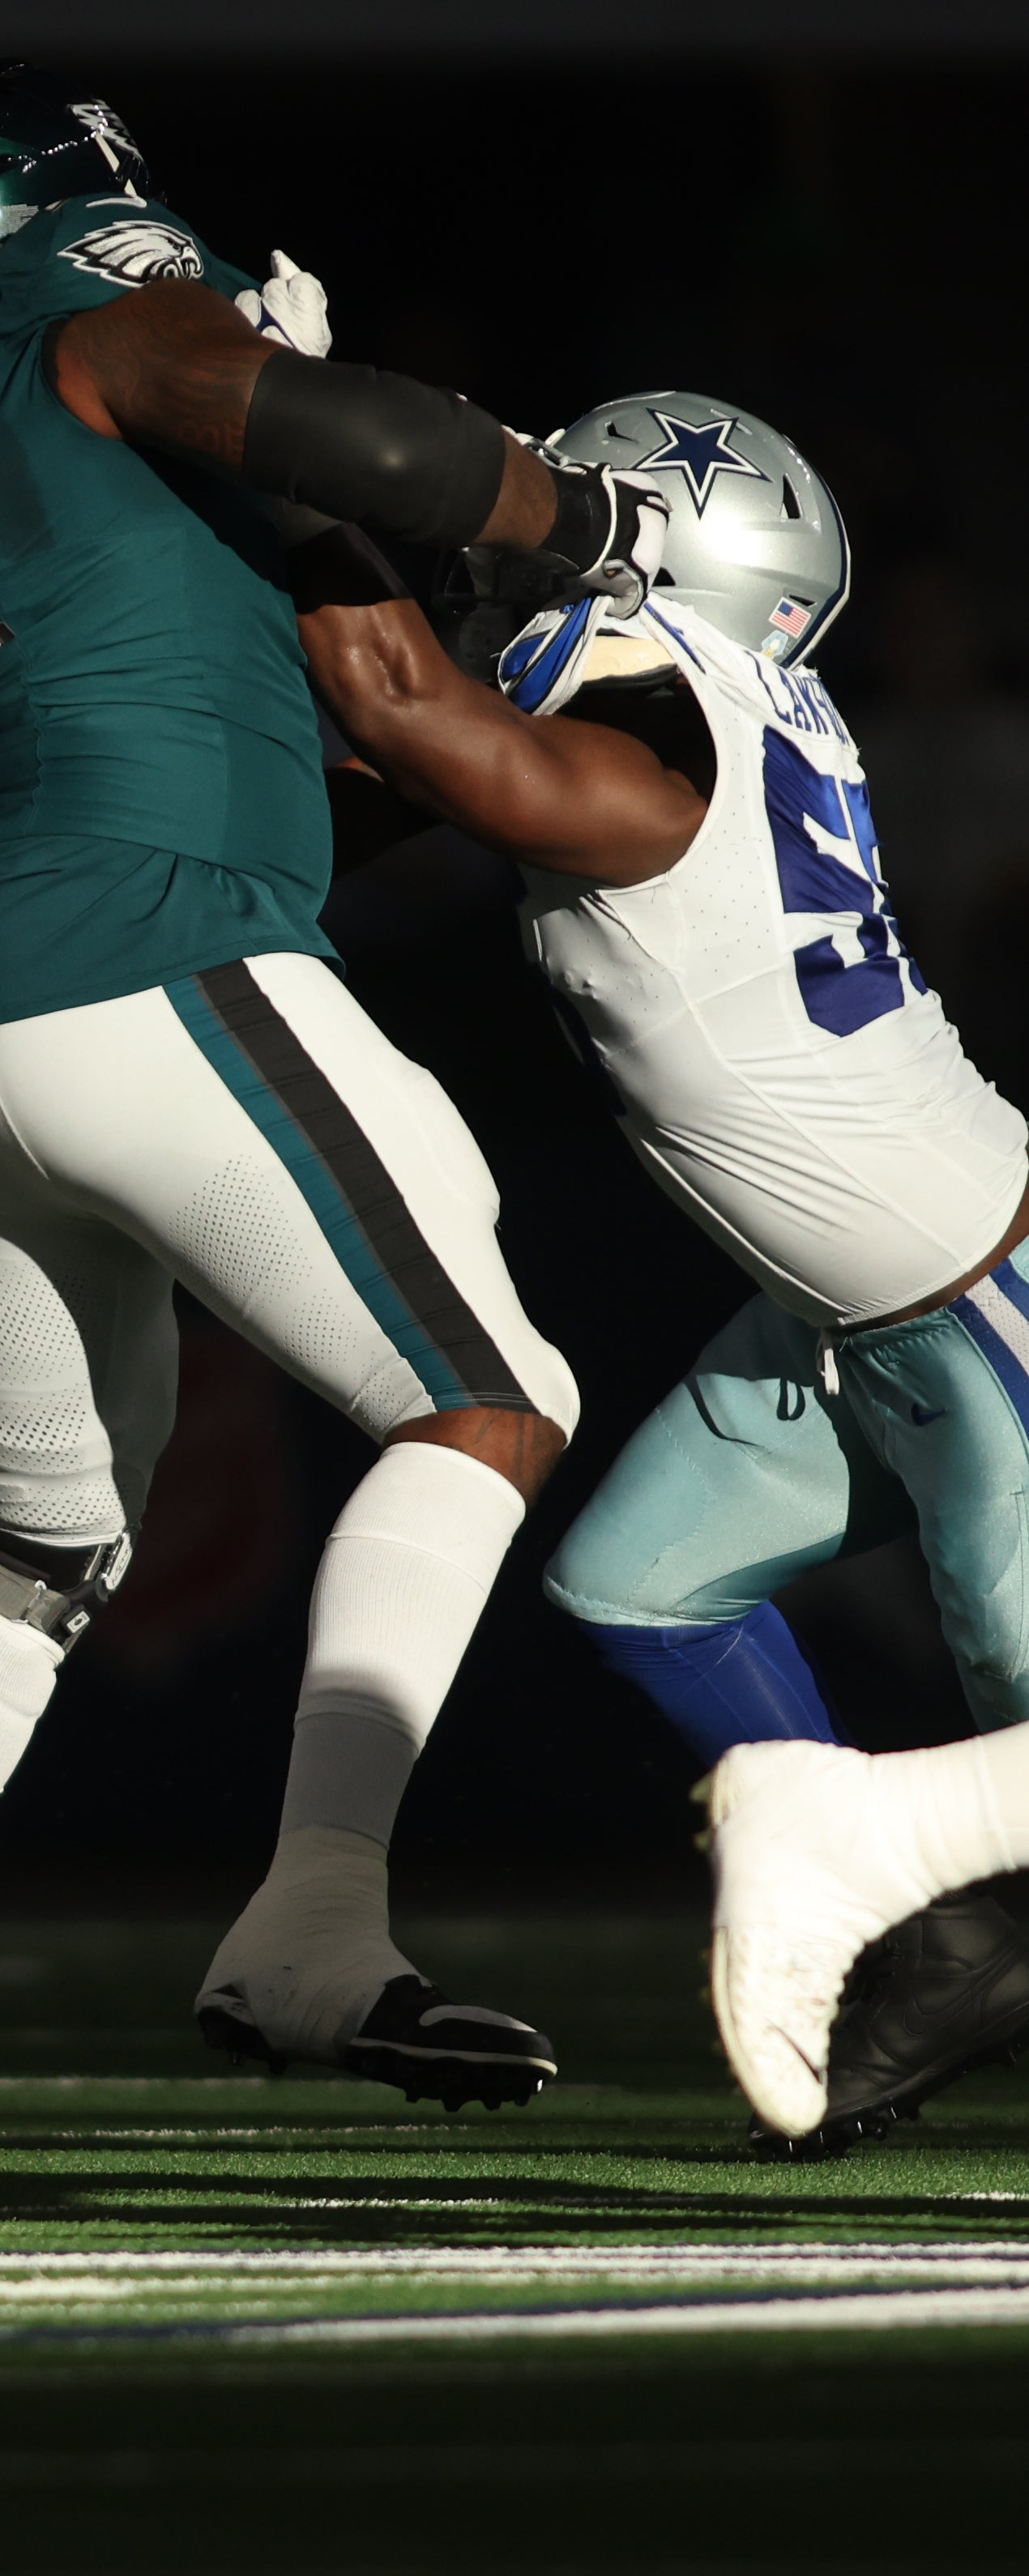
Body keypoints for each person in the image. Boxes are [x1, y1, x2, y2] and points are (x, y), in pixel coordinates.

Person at [0, 60, 672, 2174]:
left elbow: (282, 738)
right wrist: (578, 519)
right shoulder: (82, 293)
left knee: (22, 1547)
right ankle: (313, 1918)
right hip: (135, 944)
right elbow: (321, 431)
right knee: (482, 1393)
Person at [291, 392, 1029, 2156]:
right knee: (638, 1587)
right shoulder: (688, 709)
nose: (512, 539)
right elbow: (345, 810)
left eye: (569, 515)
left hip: (984, 1307)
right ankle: (898, 1943)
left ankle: (923, 1929)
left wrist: (285, 481)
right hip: (852, 1316)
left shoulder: (647, 736)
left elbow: (402, 719)